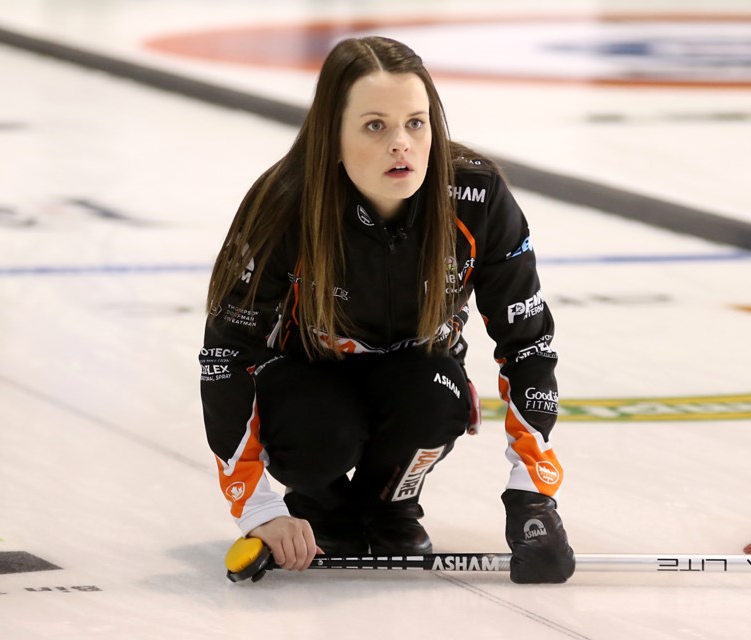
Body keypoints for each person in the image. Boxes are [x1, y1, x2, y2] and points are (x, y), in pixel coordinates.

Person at [199, 36, 574, 584]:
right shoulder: (284, 205)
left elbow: (528, 343)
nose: (402, 144)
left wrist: (533, 498)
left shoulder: (477, 196)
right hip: (306, 382)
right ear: (334, 135)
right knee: (317, 432)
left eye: (416, 123)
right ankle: (323, 505)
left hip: (418, 379)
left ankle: (391, 506)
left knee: (435, 397)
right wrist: (259, 510)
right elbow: (226, 355)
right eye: (375, 126)